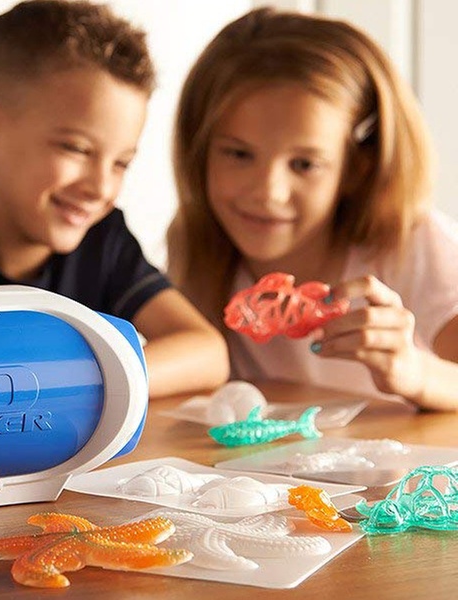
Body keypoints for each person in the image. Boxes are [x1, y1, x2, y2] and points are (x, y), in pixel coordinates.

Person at [0, 0, 229, 399]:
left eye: (121, 163)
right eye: (76, 149)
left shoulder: (105, 242)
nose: (101, 188)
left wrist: (72, 385)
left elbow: (207, 353)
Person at [167, 6, 458, 411]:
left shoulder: (411, 243)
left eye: (304, 164)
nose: (268, 192)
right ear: (199, 152)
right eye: (238, 154)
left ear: (357, 167)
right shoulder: (196, 249)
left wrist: (416, 372)